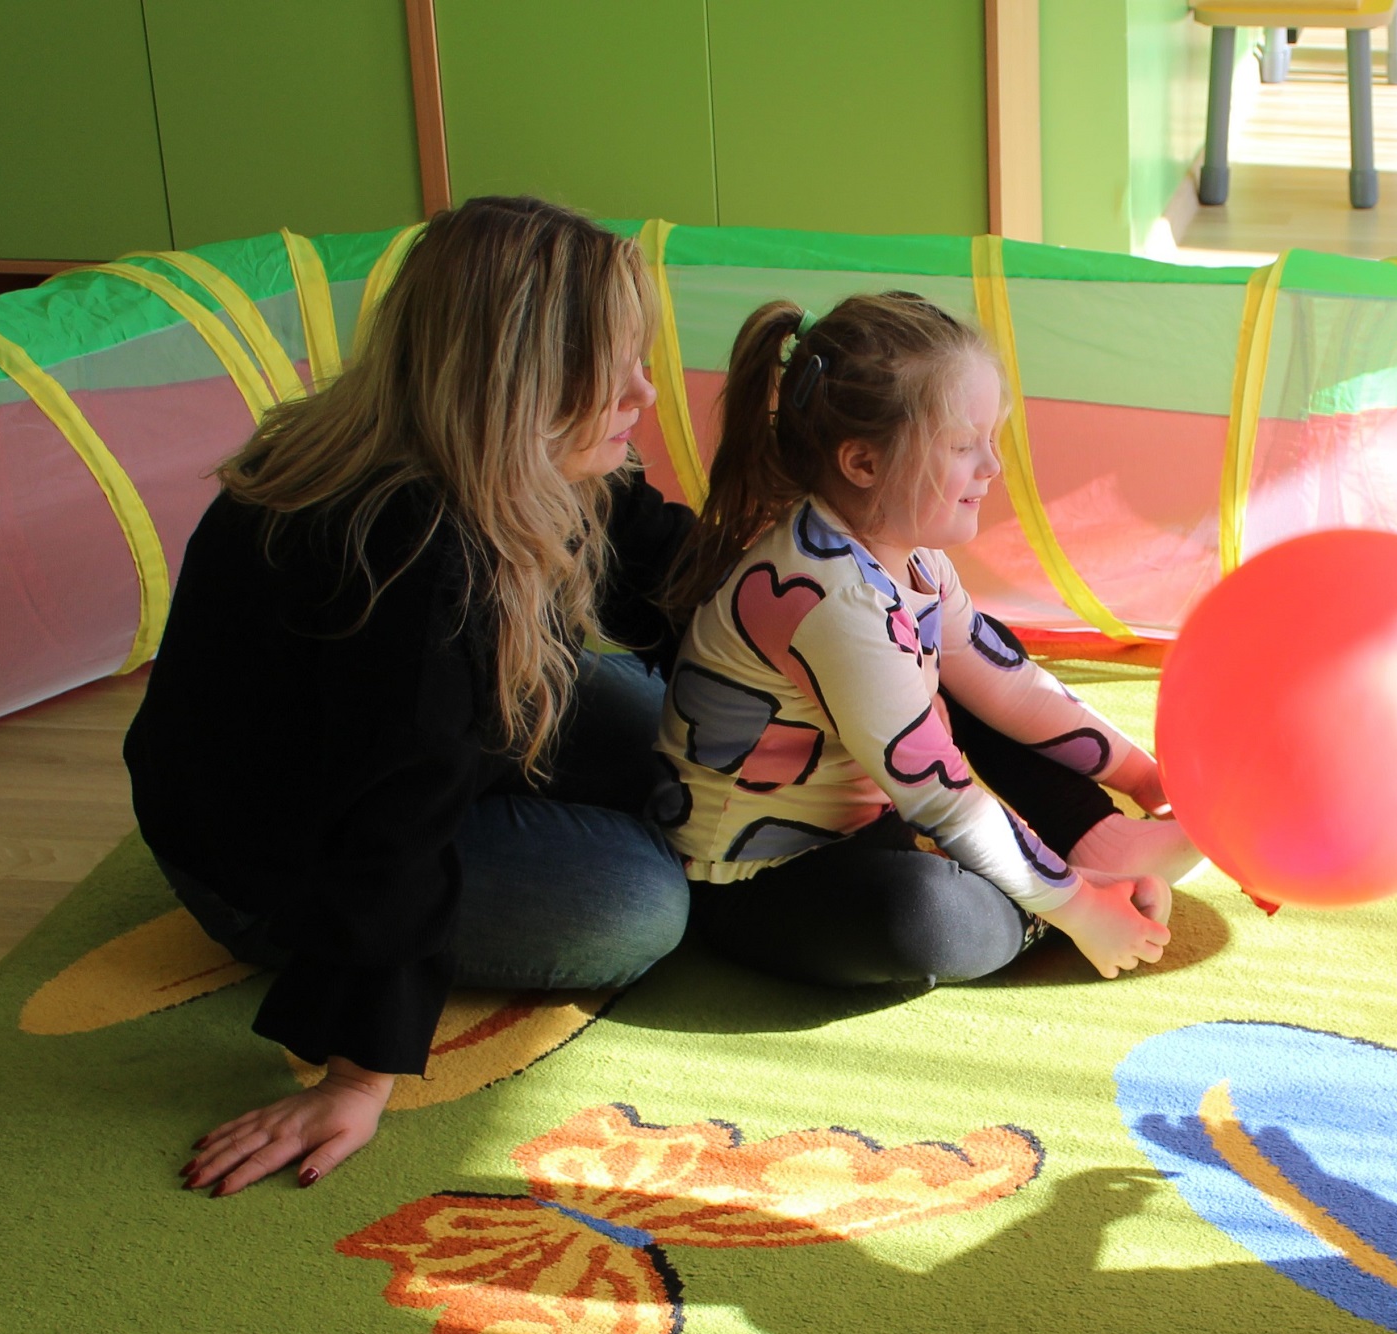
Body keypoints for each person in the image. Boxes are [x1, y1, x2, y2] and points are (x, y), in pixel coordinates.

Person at [127, 197, 696, 1197]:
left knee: (668, 734)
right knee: (638, 903)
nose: (643, 391)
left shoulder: (514, 450)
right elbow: (386, 825)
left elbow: (670, 571)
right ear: (516, 382)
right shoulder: (406, 558)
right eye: (613, 368)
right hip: (291, 859)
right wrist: (357, 1078)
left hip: (423, 755)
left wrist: (831, 606)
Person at [651, 291, 1198, 986]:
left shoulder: (912, 555)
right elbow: (940, 795)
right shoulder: (834, 599)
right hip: (756, 879)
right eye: (964, 446)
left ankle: (1094, 847)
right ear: (863, 464)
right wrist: (1080, 907)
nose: (993, 467)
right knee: (928, 918)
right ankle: (1059, 892)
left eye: (992, 439)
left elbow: (1012, 688)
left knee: (982, 663)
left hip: (869, 820)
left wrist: (1146, 776)